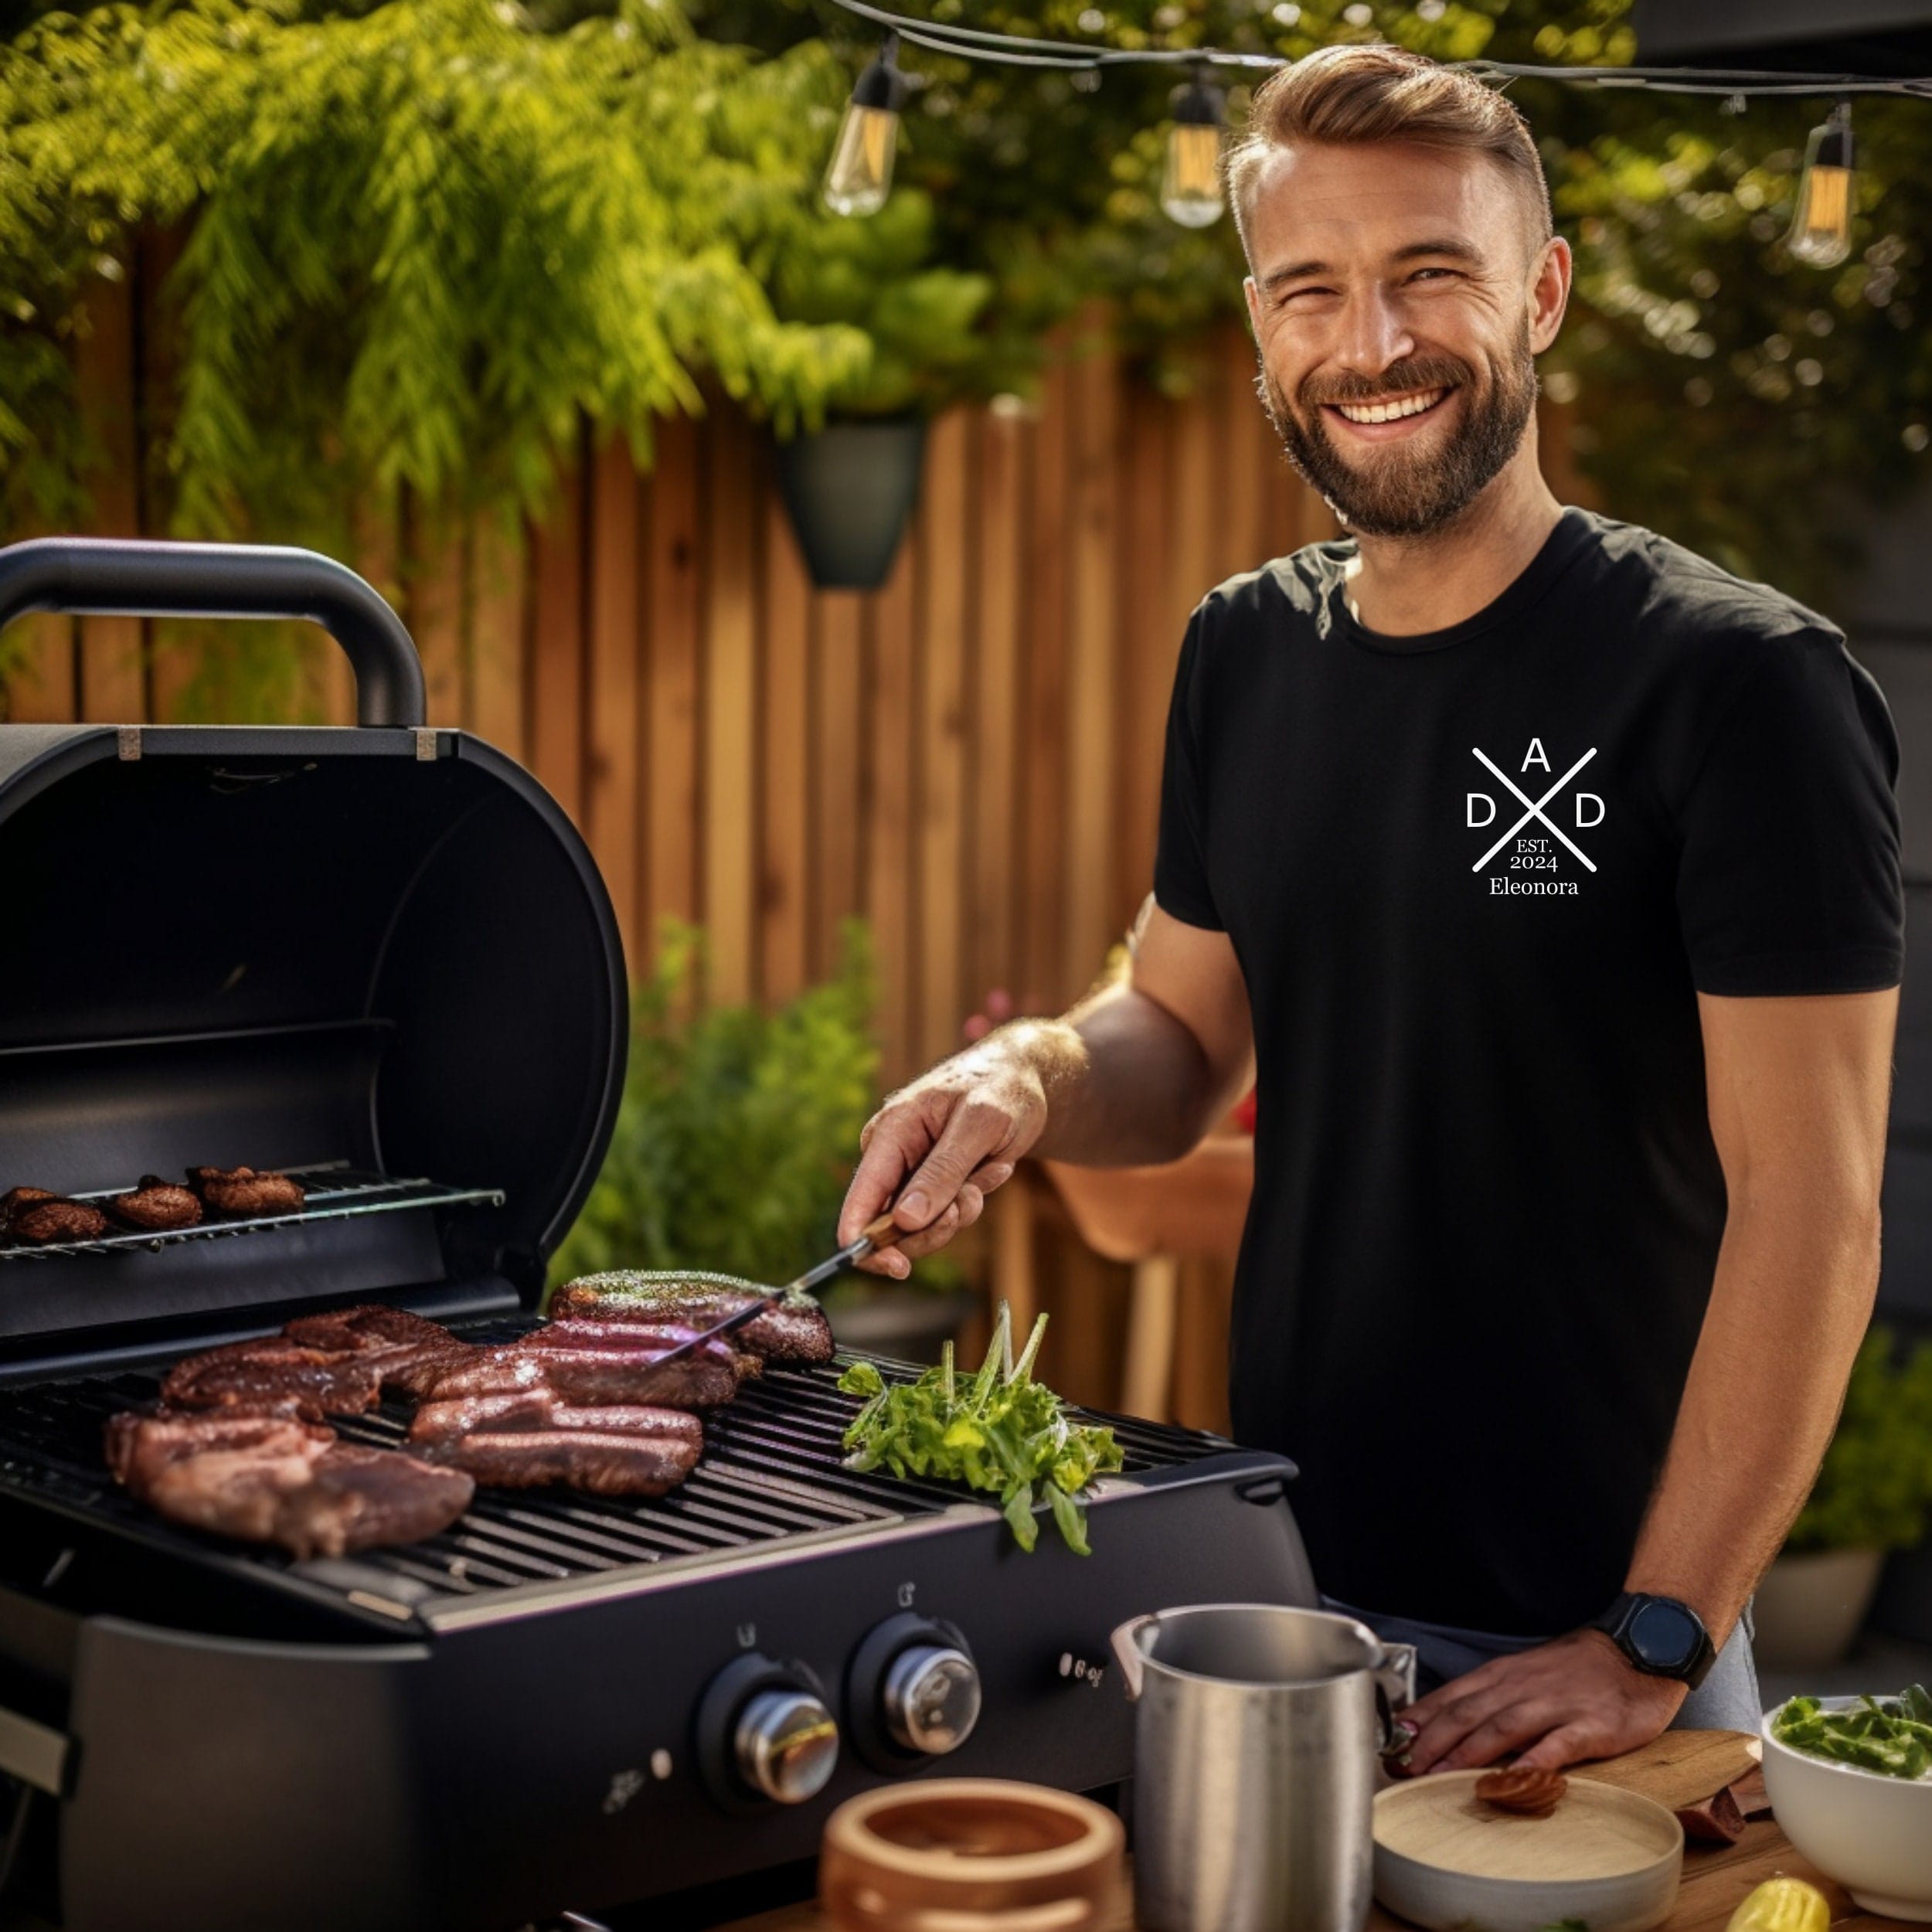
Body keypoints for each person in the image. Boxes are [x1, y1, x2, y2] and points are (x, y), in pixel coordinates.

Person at [836, 42, 1902, 1774]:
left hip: (1594, 1650)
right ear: (1259, 324)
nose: (1370, 344)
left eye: (1428, 275)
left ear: (1539, 292)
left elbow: (1813, 1205)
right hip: (1283, 1601)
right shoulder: (1242, 649)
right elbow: (1176, 1035)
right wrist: (1023, 1073)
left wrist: (1653, 1628)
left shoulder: (1733, 683)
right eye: (1308, 290)